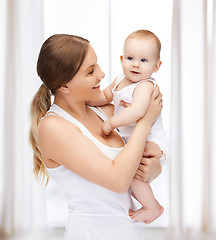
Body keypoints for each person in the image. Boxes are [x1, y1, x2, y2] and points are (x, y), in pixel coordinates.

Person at [29, 34, 163, 240]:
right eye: (91, 71)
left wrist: (157, 165)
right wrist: (145, 122)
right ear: (65, 86)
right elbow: (118, 180)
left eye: (97, 65)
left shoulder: (105, 110)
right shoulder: (53, 127)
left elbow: (139, 153)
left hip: (131, 232)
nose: (102, 74)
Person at [88, 29, 168, 223]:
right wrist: (88, 100)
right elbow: (106, 95)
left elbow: (137, 112)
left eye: (143, 60)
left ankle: (152, 207)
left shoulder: (145, 86)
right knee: (130, 172)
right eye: (130, 58)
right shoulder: (119, 81)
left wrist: (111, 123)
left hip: (151, 140)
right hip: (135, 139)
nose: (135, 64)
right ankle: (149, 204)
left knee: (132, 173)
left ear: (156, 66)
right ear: (122, 58)